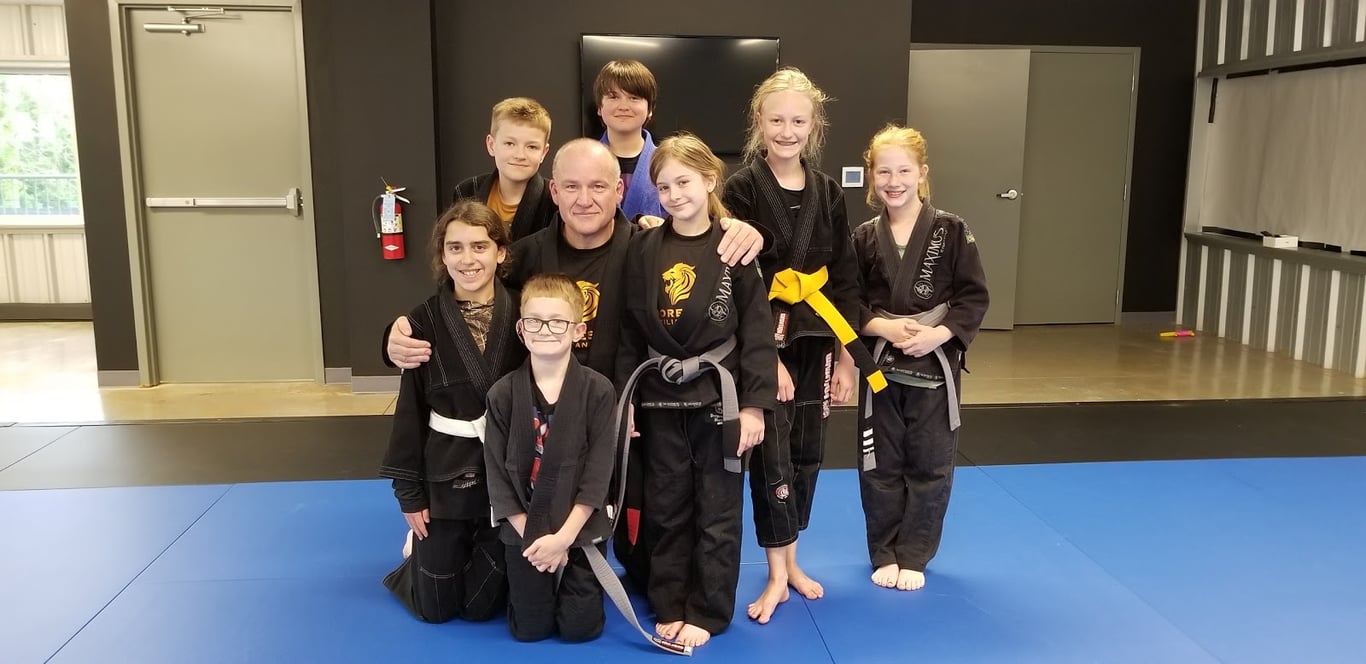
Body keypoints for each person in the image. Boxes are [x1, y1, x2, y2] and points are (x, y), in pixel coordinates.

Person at [385, 139, 765, 583]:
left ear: (619, 191)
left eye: (598, 186)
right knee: (522, 571)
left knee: (647, 552)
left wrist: (745, 230)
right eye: (571, 187)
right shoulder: (526, 255)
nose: (585, 199)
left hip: (630, 412)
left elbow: (709, 273)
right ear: (554, 192)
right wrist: (396, 334)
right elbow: (465, 293)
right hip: (541, 421)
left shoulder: (647, 247)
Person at [722, 66, 884, 623]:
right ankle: (775, 573)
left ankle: (791, 560)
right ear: (758, 121)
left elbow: (845, 278)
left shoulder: (829, 191)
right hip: (763, 336)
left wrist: (848, 360)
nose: (786, 131)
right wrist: (764, 360)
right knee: (772, 453)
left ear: (814, 125)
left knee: (808, 451)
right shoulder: (741, 189)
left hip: (818, 335)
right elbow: (738, 281)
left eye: (798, 121)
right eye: (776, 120)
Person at [616, 133, 777, 648]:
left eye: (683, 182)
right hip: (659, 397)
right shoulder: (643, 247)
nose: (673, 195)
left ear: (710, 180)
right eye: (663, 187)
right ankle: (668, 601)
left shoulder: (734, 247)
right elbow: (628, 332)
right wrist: (626, 401)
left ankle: (707, 610)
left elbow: (757, 333)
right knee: (665, 505)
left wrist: (755, 407)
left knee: (718, 508)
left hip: (719, 399)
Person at [852, 124, 989, 591]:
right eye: (884, 172)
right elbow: (849, 302)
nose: (894, 182)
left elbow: (973, 296)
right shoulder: (863, 237)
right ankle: (884, 552)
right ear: (872, 176)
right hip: (880, 366)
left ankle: (914, 555)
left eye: (904, 171)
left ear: (922, 173)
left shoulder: (951, 230)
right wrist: (884, 328)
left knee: (931, 465)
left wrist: (939, 335)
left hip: (934, 364)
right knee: (878, 463)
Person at [378, 200, 526, 623]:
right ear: (442, 256)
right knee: (436, 609)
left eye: (480, 246)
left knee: (481, 608)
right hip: (446, 474)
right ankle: (420, 553)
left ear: (500, 252)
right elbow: (409, 413)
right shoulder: (422, 322)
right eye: (455, 247)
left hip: (507, 476)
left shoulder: (524, 314)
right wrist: (409, 494)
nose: (468, 259)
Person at [483, 273, 617, 642]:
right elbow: (497, 476)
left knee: (580, 630)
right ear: (521, 329)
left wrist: (563, 539)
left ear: (578, 330)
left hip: (580, 529)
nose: (545, 330)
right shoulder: (502, 395)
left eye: (558, 321)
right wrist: (535, 538)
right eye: (535, 321)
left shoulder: (598, 391)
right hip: (525, 532)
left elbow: (598, 475)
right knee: (530, 630)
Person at [451, 97, 557, 241]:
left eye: (532, 147)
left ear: (544, 153)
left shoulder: (554, 200)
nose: (520, 155)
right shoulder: (467, 191)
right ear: (491, 145)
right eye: (509, 144)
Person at [593, 59, 665, 222]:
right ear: (599, 107)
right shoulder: (581, 162)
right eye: (613, 97)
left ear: (650, 109)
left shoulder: (668, 163)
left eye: (634, 98)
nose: (623, 106)